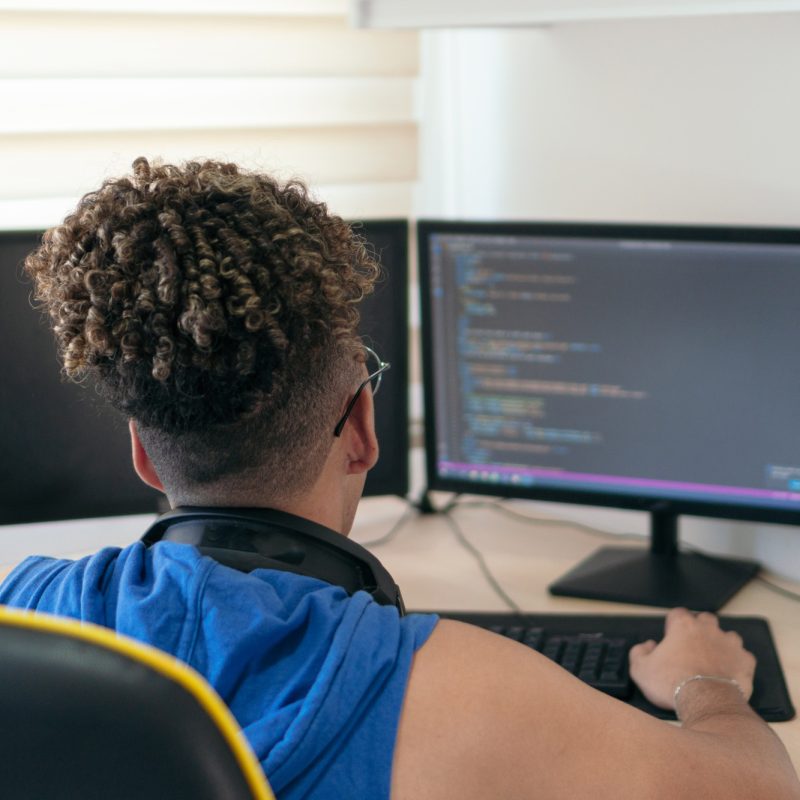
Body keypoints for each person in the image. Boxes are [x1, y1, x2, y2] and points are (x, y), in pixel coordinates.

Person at [1, 157, 798, 800]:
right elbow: (756, 788)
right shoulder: (453, 689)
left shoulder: (25, 617)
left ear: (142, 451)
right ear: (361, 431)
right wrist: (708, 682)